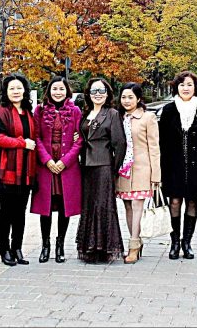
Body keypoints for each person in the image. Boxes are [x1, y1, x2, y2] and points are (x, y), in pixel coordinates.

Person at [159, 71, 197, 260]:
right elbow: (161, 142)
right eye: (182, 84)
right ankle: (175, 242)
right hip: (173, 165)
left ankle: (187, 243)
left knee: (192, 202)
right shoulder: (168, 110)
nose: (185, 88)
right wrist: (159, 169)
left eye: (189, 84)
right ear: (176, 87)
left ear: (195, 88)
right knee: (174, 202)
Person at [32, 77, 83, 264]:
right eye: (54, 89)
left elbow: (80, 139)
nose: (58, 92)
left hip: (66, 166)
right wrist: (47, 160)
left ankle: (60, 244)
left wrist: (65, 161)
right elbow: (36, 137)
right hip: (46, 166)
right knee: (45, 208)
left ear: (67, 90)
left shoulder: (75, 111)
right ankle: (45, 245)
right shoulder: (40, 110)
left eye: (61, 89)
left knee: (64, 207)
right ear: (49, 91)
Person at [75, 78, 126, 263]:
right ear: (88, 94)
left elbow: (120, 143)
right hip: (86, 166)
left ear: (107, 93)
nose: (98, 94)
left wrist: (113, 168)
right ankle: (89, 246)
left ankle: (104, 248)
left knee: (103, 206)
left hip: (104, 165)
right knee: (89, 206)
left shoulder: (112, 113)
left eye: (101, 91)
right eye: (94, 91)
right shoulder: (85, 113)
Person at [0, 74, 37, 266]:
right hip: (7, 170)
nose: (16, 91)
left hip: (26, 170)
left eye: (19, 88)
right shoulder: (2, 112)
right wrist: (21, 143)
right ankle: (5, 249)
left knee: (20, 211)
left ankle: (17, 247)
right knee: (6, 211)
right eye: (12, 88)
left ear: (25, 90)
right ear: (6, 92)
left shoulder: (28, 112)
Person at [115, 82, 161, 264]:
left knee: (137, 205)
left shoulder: (148, 117)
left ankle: (133, 245)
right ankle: (137, 241)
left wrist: (156, 175)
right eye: (123, 97)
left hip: (142, 168)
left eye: (130, 97)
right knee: (127, 206)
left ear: (139, 98)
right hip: (123, 169)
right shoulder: (117, 117)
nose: (126, 101)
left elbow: (154, 147)